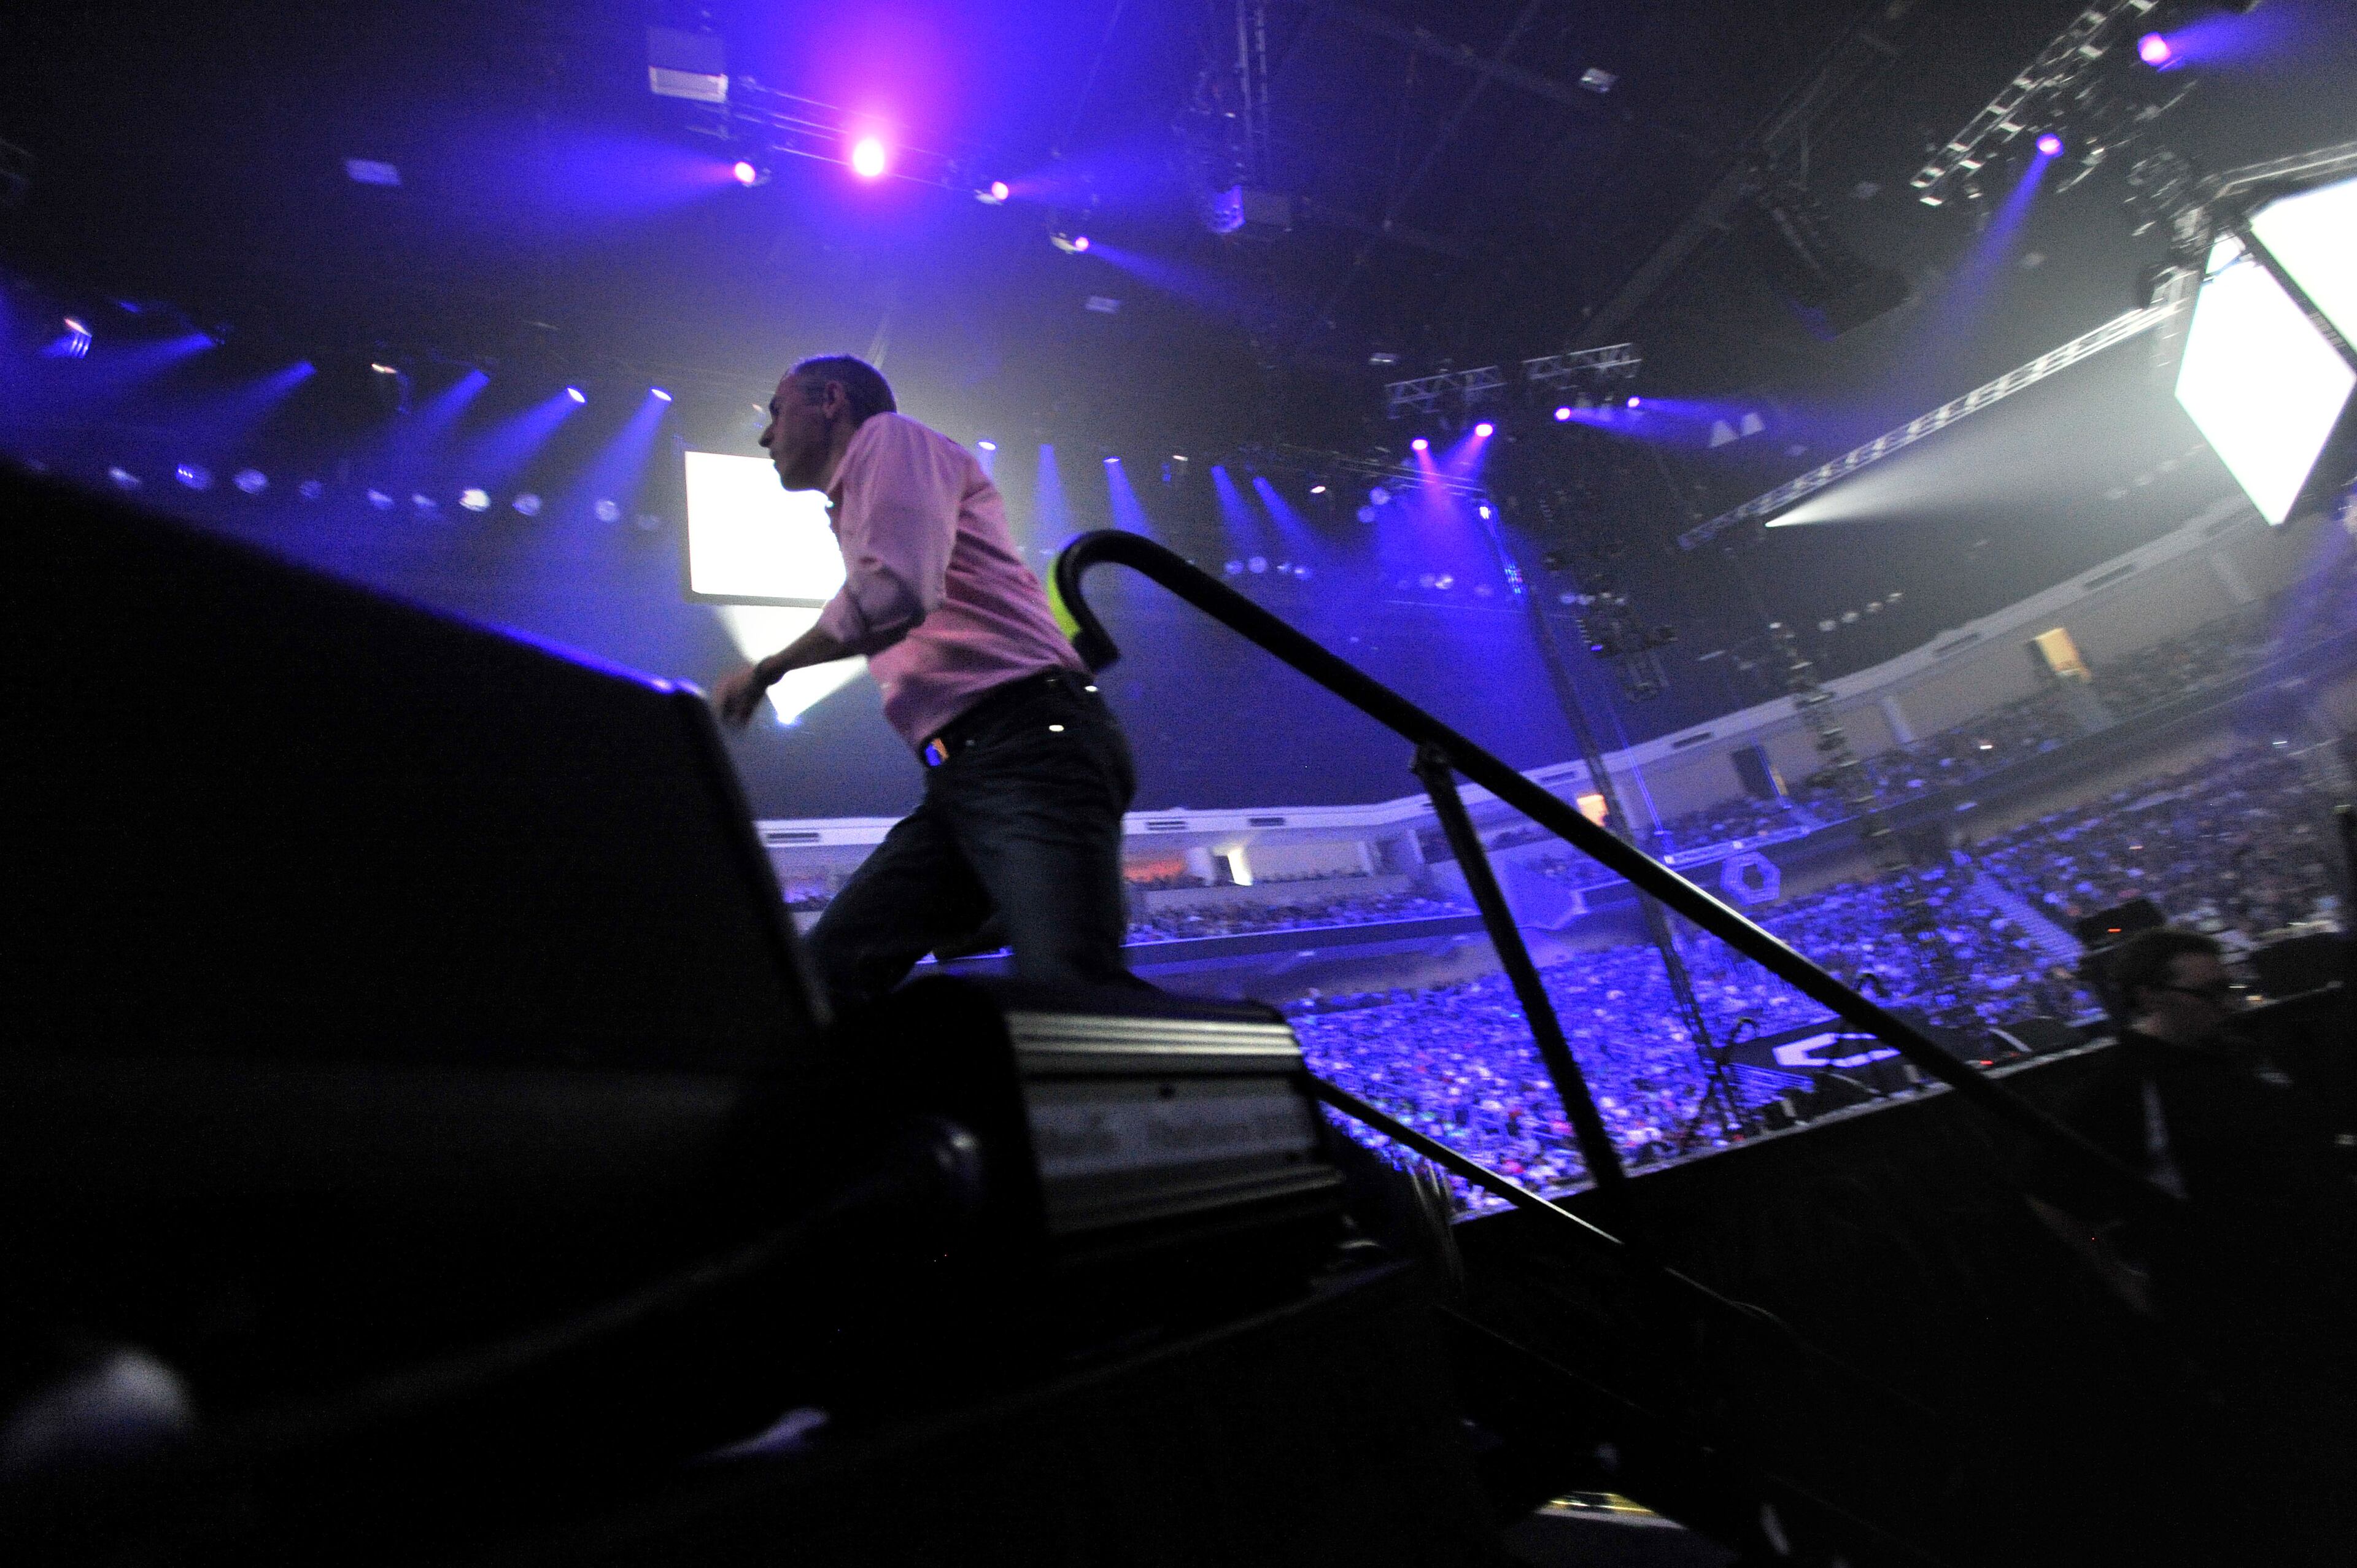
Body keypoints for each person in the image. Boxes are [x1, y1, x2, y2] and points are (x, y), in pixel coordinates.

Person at [710, 353, 1141, 1011]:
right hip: (970, 771)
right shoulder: (858, 498)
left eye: (775, 410)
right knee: (820, 980)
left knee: (1076, 994)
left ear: (831, 400)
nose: (766, 435)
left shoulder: (889, 437)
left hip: (1027, 746)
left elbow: (897, 589)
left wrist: (770, 668)